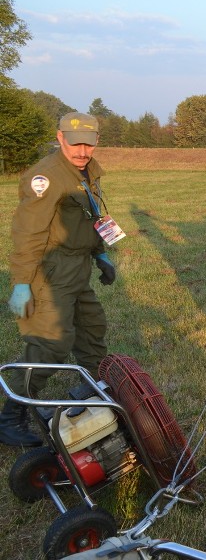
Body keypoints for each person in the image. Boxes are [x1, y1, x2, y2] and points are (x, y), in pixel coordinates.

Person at [3, 112, 119, 447]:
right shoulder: (47, 176)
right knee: (51, 344)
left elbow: (93, 215)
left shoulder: (86, 170)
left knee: (93, 329)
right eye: (75, 142)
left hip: (78, 266)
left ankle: (94, 391)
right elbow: (28, 234)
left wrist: (100, 254)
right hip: (52, 270)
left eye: (89, 143)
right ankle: (12, 414)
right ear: (60, 137)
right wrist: (22, 283)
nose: (83, 150)